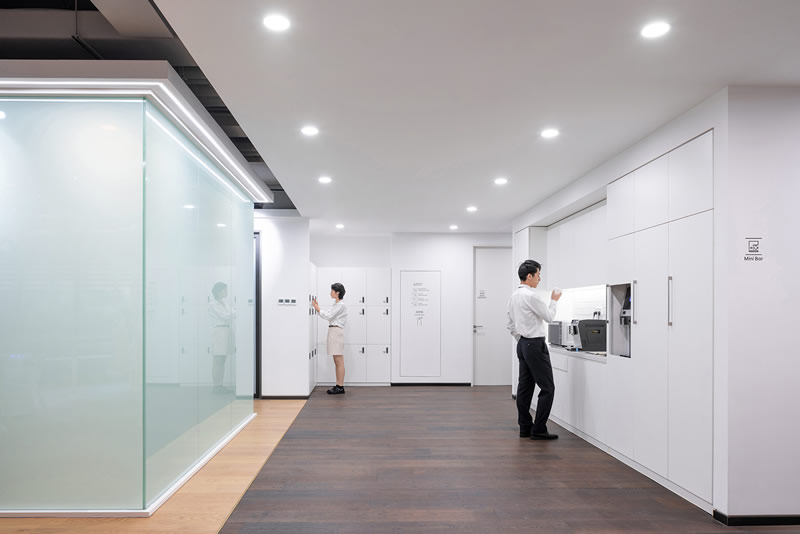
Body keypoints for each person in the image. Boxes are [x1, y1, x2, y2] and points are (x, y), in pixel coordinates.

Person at [507, 260, 562, 440]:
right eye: (538, 274)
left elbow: (510, 324)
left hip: (523, 345)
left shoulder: (514, 296)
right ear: (529, 276)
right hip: (535, 345)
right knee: (548, 388)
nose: (540, 278)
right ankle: (538, 429)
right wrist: (554, 300)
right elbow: (549, 317)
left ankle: (525, 427)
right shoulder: (531, 296)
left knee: (524, 388)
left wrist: (521, 339)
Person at [313, 283, 348, 395]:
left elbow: (328, 316)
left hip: (336, 332)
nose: (330, 293)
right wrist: (319, 309)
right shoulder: (336, 304)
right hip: (334, 331)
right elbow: (328, 315)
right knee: (337, 361)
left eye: (332, 291)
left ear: (337, 292)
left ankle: (340, 386)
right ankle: (338, 385)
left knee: (339, 361)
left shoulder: (341, 305)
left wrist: (318, 308)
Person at [209, 281, 235, 393]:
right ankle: (216, 386)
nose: (226, 291)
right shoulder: (213, 304)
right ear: (219, 291)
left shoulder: (224, 303)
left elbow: (232, 312)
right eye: (225, 289)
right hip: (219, 331)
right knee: (218, 359)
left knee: (222, 359)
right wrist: (238, 312)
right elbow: (225, 316)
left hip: (226, 331)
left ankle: (220, 385)